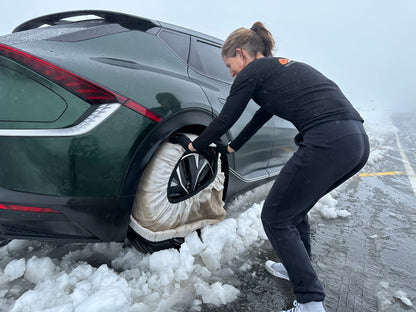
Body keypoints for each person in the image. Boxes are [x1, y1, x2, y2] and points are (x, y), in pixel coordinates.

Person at [187, 22, 370, 312]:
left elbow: (225, 118)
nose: (231, 72)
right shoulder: (277, 72)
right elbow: (262, 114)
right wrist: (234, 146)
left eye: (229, 64)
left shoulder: (253, 71)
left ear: (241, 54)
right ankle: (295, 267)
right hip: (355, 141)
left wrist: (195, 145)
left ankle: (310, 302)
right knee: (294, 210)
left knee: (275, 216)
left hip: (327, 140)